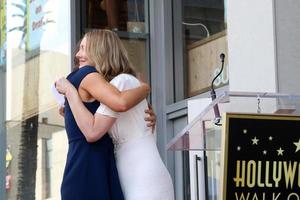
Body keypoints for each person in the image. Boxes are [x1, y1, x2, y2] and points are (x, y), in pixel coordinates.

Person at [56, 29, 174, 200]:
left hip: (129, 175)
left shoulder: (121, 82)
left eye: (84, 48)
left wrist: (70, 92)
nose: (77, 54)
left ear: (100, 50)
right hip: (114, 173)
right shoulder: (117, 87)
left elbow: (97, 127)